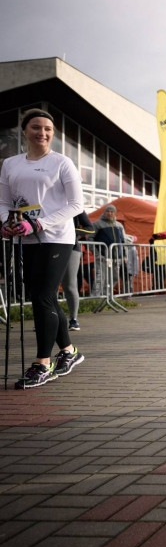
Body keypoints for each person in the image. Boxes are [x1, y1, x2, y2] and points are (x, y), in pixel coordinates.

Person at [0, 109, 85, 389]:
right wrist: (6, 224)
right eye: (36, 127)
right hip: (24, 238)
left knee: (43, 298)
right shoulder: (10, 163)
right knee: (41, 297)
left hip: (56, 237)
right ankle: (70, 352)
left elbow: (76, 205)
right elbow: (3, 202)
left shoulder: (61, 162)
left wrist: (39, 224)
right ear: (25, 131)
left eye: (48, 129)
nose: (42, 133)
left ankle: (42, 363)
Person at [62, 211, 94, 331]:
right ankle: (47, 318)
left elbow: (90, 228)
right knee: (49, 286)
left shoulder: (76, 206)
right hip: (48, 248)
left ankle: (73, 319)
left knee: (70, 285)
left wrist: (70, 231)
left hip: (71, 247)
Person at [90, 204, 127, 296]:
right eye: (107, 211)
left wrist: (124, 255)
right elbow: (90, 239)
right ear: (104, 212)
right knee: (100, 278)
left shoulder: (119, 225)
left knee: (114, 277)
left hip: (116, 258)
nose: (109, 213)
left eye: (112, 211)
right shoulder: (97, 224)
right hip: (103, 257)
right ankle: (95, 298)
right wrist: (97, 254)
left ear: (115, 213)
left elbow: (123, 241)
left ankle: (106, 296)